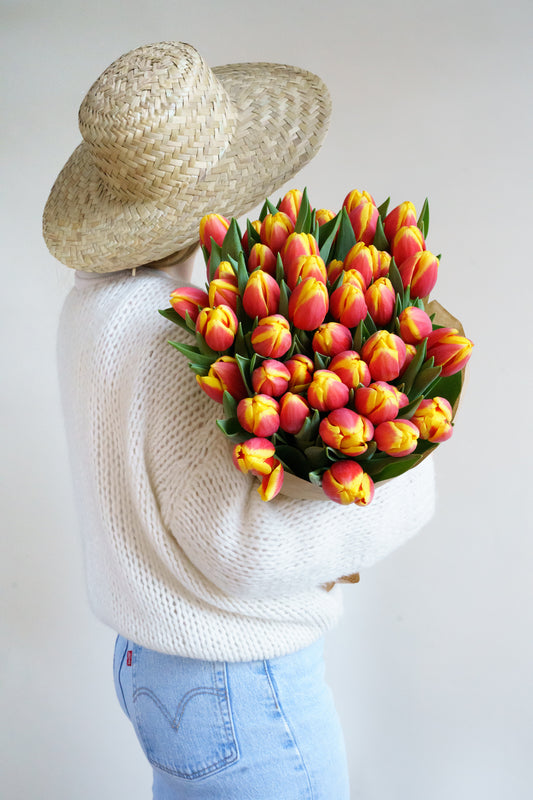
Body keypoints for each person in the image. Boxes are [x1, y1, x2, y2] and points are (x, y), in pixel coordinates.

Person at [44, 42, 435, 800]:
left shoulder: (89, 309)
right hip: (234, 684)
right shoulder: (170, 334)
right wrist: (404, 481)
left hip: (152, 664)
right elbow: (240, 549)